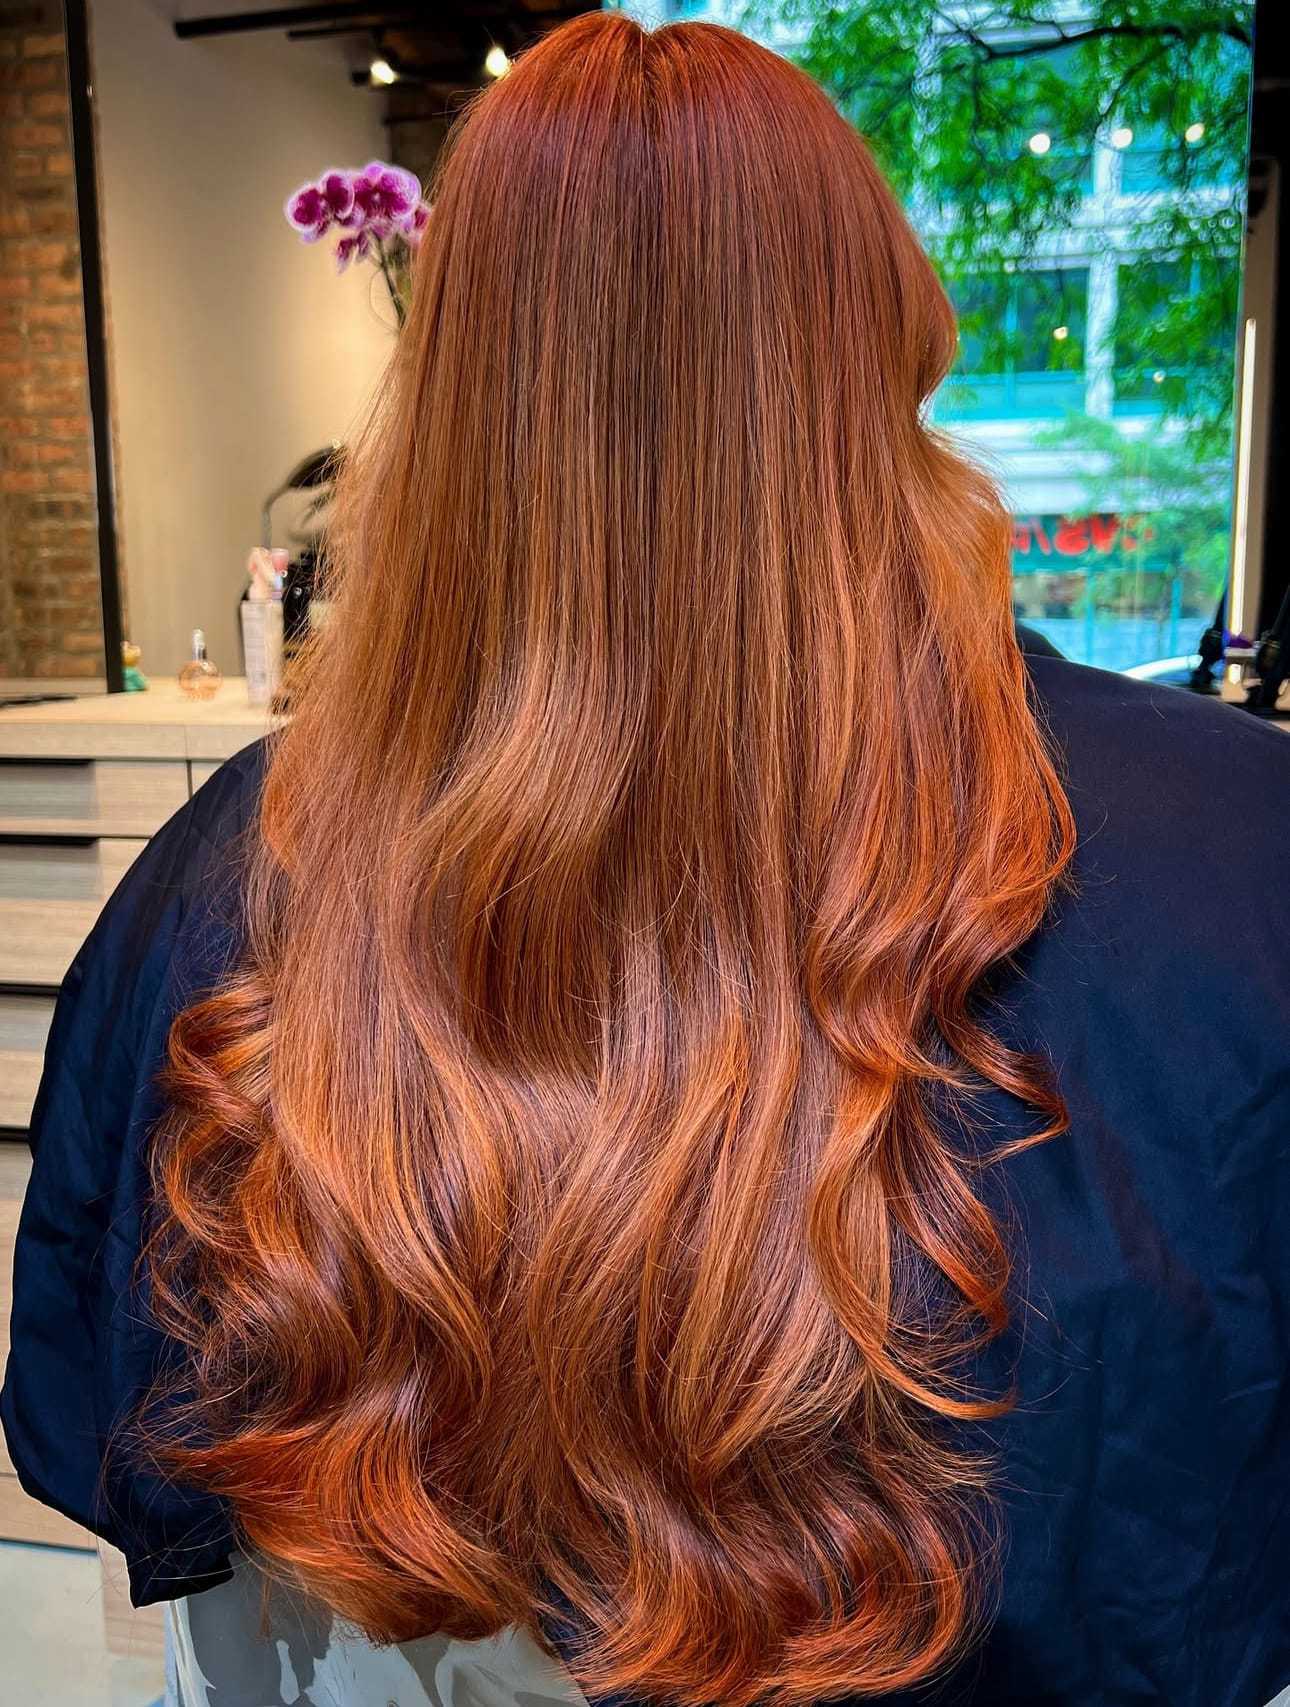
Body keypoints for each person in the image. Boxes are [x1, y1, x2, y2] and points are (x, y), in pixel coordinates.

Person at [4, 13, 1289, 1707]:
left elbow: (126, 1417)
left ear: (450, 374)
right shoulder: (1238, 843)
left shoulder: (238, 853)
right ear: (888, 334)